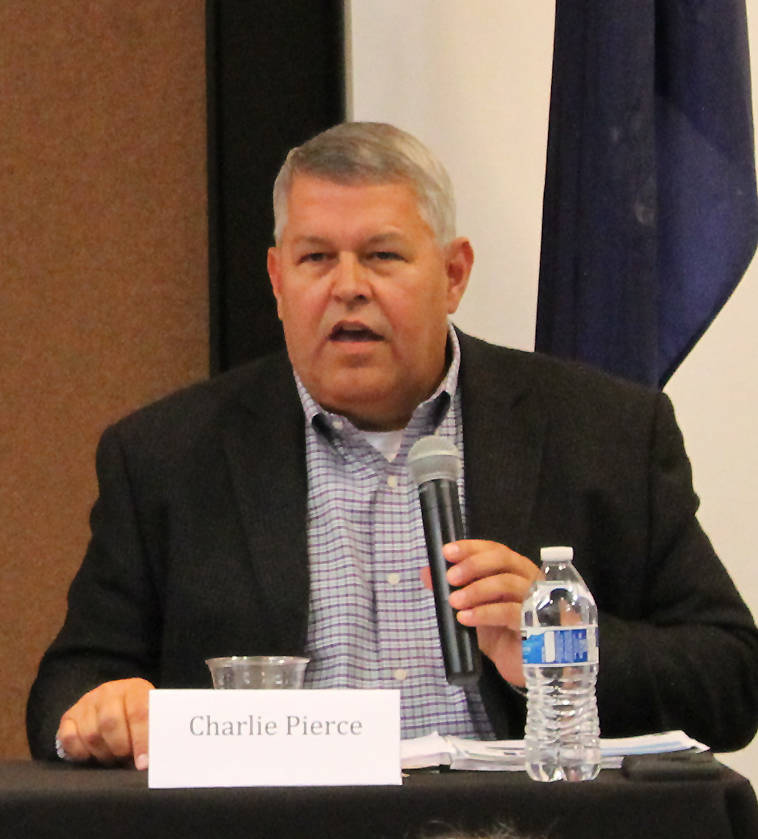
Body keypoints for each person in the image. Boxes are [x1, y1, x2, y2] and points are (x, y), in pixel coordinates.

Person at [27, 122, 758, 770]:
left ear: (453, 274)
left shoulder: (603, 432)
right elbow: (68, 688)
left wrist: (557, 647)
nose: (348, 288)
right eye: (316, 259)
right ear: (278, 281)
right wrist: (107, 709)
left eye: (381, 256)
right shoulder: (165, 456)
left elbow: (733, 679)